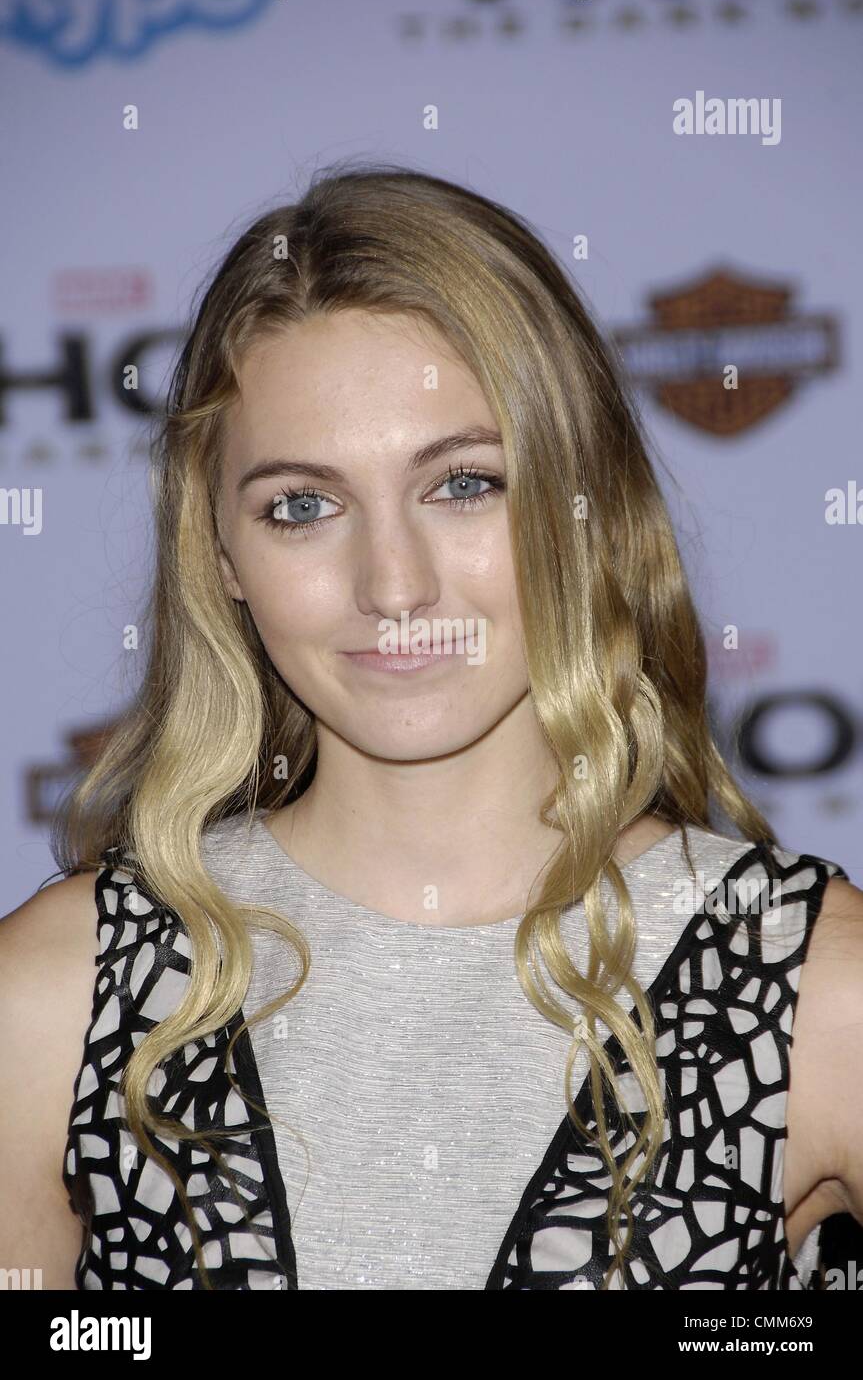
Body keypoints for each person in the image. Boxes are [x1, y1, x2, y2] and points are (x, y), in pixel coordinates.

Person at [1, 163, 861, 1292]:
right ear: (220, 557)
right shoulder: (53, 996)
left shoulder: (814, 989)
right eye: (301, 506)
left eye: (461, 483)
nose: (392, 585)